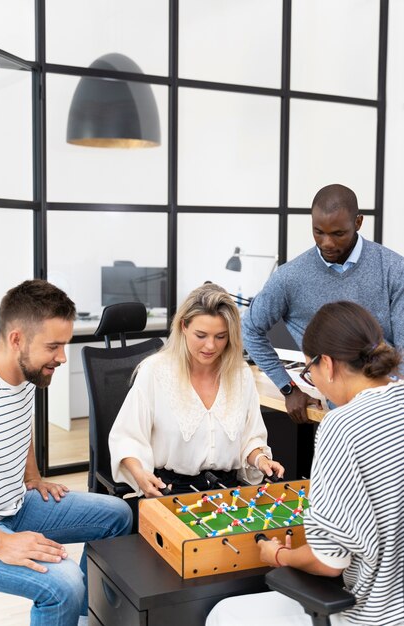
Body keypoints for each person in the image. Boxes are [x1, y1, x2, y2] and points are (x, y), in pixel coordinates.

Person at [207, 301, 404, 626]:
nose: (311, 380)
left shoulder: (342, 425)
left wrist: (278, 555)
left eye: (307, 370)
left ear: (326, 363)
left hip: (375, 617)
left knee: (223, 614)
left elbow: (328, 561)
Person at [0, 279, 133, 626]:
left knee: (118, 514)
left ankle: (80, 619)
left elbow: (21, 425)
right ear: (16, 339)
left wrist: (33, 476)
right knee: (64, 584)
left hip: (16, 505)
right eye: (54, 346)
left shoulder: (25, 372)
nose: (63, 358)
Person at [242, 183, 404, 424]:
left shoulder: (393, 268)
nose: (327, 242)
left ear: (358, 223)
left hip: (392, 403)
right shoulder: (290, 278)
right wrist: (288, 388)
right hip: (342, 412)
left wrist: (391, 403)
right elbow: (250, 329)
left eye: (338, 233)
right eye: (318, 231)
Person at [109, 283, 284, 498]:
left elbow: (249, 439)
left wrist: (261, 460)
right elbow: (126, 438)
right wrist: (140, 475)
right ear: (184, 326)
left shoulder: (240, 374)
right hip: (170, 491)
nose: (210, 346)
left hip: (228, 492)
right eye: (201, 335)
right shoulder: (155, 371)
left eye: (220, 336)